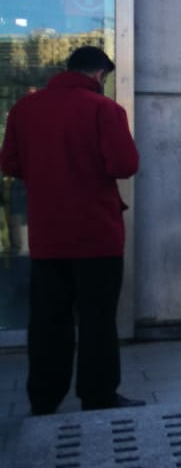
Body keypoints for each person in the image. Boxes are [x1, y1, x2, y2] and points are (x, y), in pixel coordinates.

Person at [0, 46, 141, 413]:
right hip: (97, 233)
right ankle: (98, 396)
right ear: (99, 75)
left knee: (48, 320)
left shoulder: (24, 109)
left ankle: (44, 398)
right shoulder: (105, 110)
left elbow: (10, 162)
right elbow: (125, 164)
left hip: (47, 234)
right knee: (97, 320)